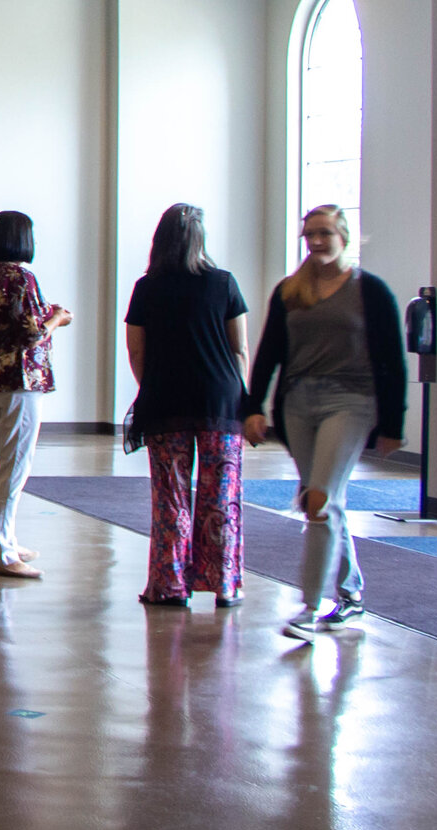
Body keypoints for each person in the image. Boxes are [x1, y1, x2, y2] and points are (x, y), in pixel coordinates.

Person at [242, 204, 407, 639]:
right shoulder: (290, 290)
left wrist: (393, 423)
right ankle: (351, 594)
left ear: (344, 237)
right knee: (322, 500)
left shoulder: (370, 291)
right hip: (298, 404)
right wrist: (253, 406)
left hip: (351, 402)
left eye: (325, 234)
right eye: (309, 234)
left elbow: (392, 359)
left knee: (319, 499)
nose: (316, 242)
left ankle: (311, 607)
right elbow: (270, 350)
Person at [125, 203, 250, 608]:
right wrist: (240, 398)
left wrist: (152, 387)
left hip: (165, 402)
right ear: (201, 239)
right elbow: (240, 349)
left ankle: (169, 584)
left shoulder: (147, 288)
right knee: (221, 496)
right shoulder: (224, 283)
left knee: (170, 497)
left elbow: (136, 351)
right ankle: (224, 583)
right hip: (220, 402)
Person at [0, 211, 71, 578]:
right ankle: (1, 553)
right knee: (13, 467)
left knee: (8, 462)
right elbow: (32, 332)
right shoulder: (21, 276)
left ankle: (8, 541)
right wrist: (58, 318)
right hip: (20, 380)